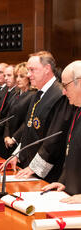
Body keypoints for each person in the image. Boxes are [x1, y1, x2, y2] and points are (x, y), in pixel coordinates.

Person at [1, 51, 73, 182]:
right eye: (28, 70)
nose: (28, 75)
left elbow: (55, 138)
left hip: (47, 172)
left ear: (47, 69)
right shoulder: (37, 94)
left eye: (32, 70)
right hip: (29, 167)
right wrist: (16, 154)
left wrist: (34, 168)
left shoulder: (60, 95)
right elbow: (28, 129)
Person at [42, 61, 81, 203]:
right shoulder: (77, 109)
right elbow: (73, 152)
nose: (63, 92)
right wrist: (65, 182)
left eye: (65, 86)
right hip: (71, 195)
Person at [3, 62, 36, 156]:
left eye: (21, 76)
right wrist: (6, 136)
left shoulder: (33, 95)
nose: (17, 79)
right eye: (16, 76)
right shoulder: (15, 94)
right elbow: (8, 118)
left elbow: (28, 121)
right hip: (9, 141)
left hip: (21, 142)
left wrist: (14, 138)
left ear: (28, 77)